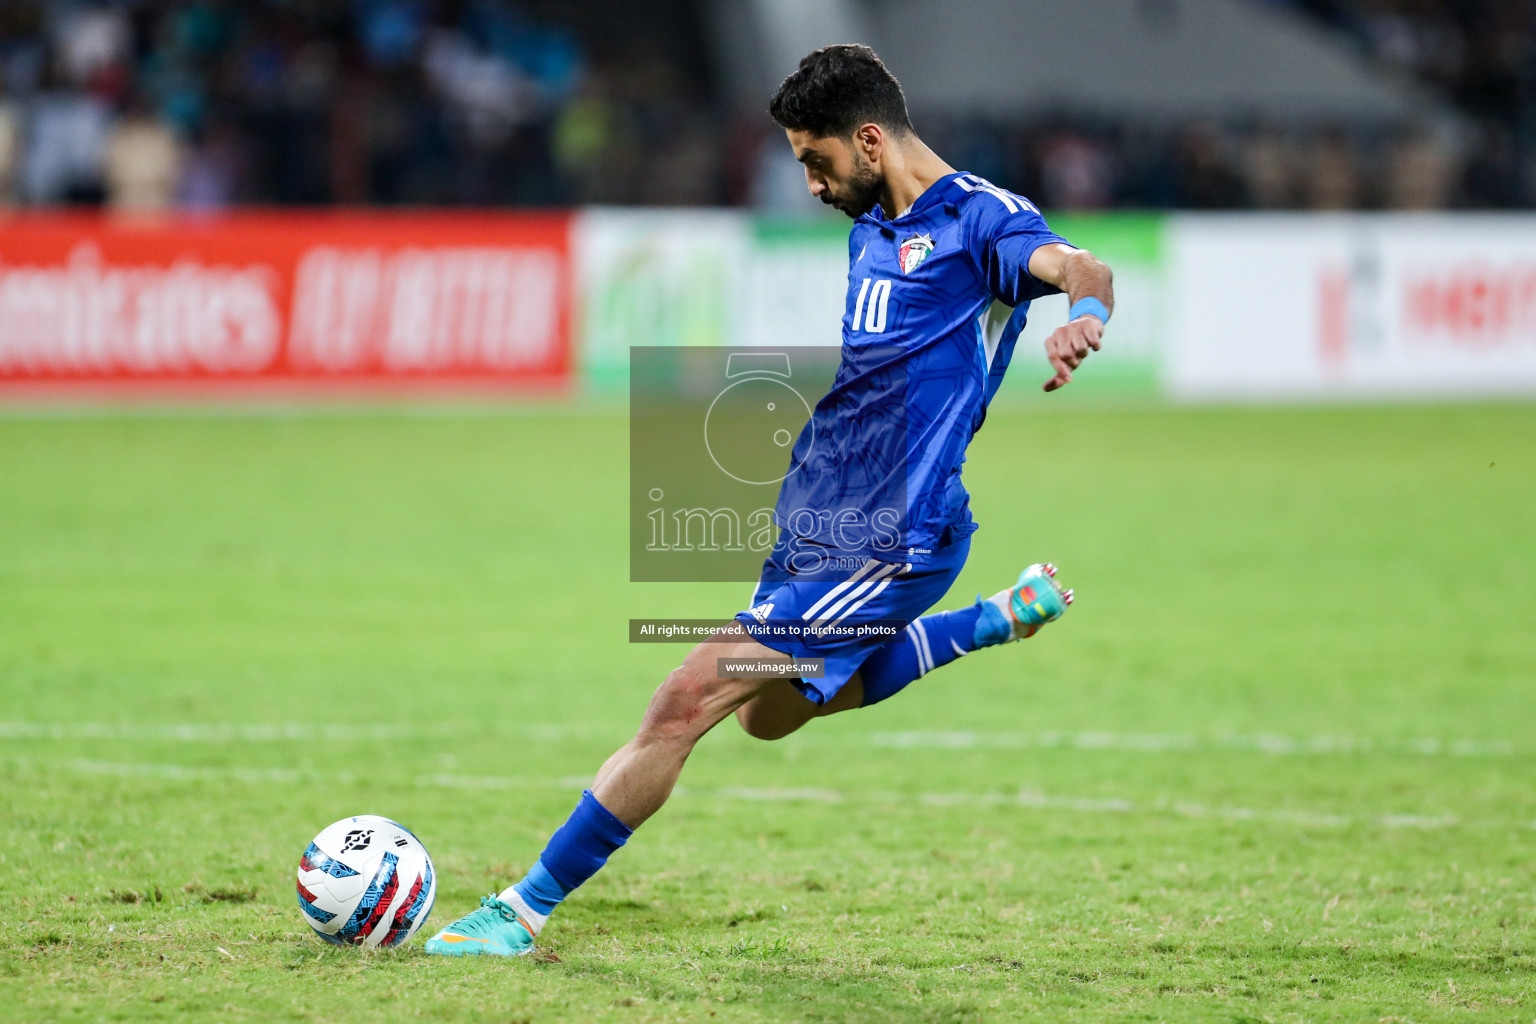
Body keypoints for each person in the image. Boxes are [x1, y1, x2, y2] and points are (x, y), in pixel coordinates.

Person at [423, 43, 1114, 957]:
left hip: (893, 536)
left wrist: (1084, 317)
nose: (812, 185)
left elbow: (1080, 266)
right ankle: (986, 622)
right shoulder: (875, 224)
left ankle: (520, 912)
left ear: (869, 141)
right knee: (766, 714)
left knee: (684, 699)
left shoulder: (982, 225)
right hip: (818, 516)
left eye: (815, 161)